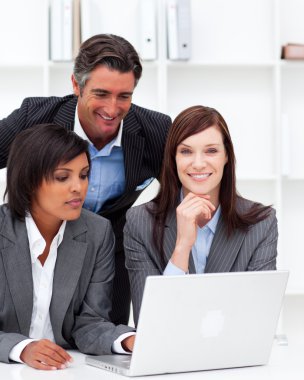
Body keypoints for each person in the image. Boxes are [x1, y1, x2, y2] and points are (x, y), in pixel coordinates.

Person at [0, 34, 172, 325]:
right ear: (76, 85)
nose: (113, 108)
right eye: (101, 93)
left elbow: (186, 192)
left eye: (124, 96)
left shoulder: (155, 130)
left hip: (109, 257)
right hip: (37, 251)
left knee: (105, 343)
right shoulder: (37, 116)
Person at [124, 105, 278, 326]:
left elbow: (259, 318)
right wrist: (182, 246)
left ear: (226, 156)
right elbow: (150, 324)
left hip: (235, 356)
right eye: (186, 151)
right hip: (170, 357)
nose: (198, 163)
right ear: (173, 158)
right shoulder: (140, 222)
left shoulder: (262, 223)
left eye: (211, 151)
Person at [0, 124, 135, 370]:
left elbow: (91, 323)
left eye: (83, 175)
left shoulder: (98, 232)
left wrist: (128, 341)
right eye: (63, 177)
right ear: (29, 181)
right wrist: (22, 348)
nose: (79, 187)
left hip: (69, 370)